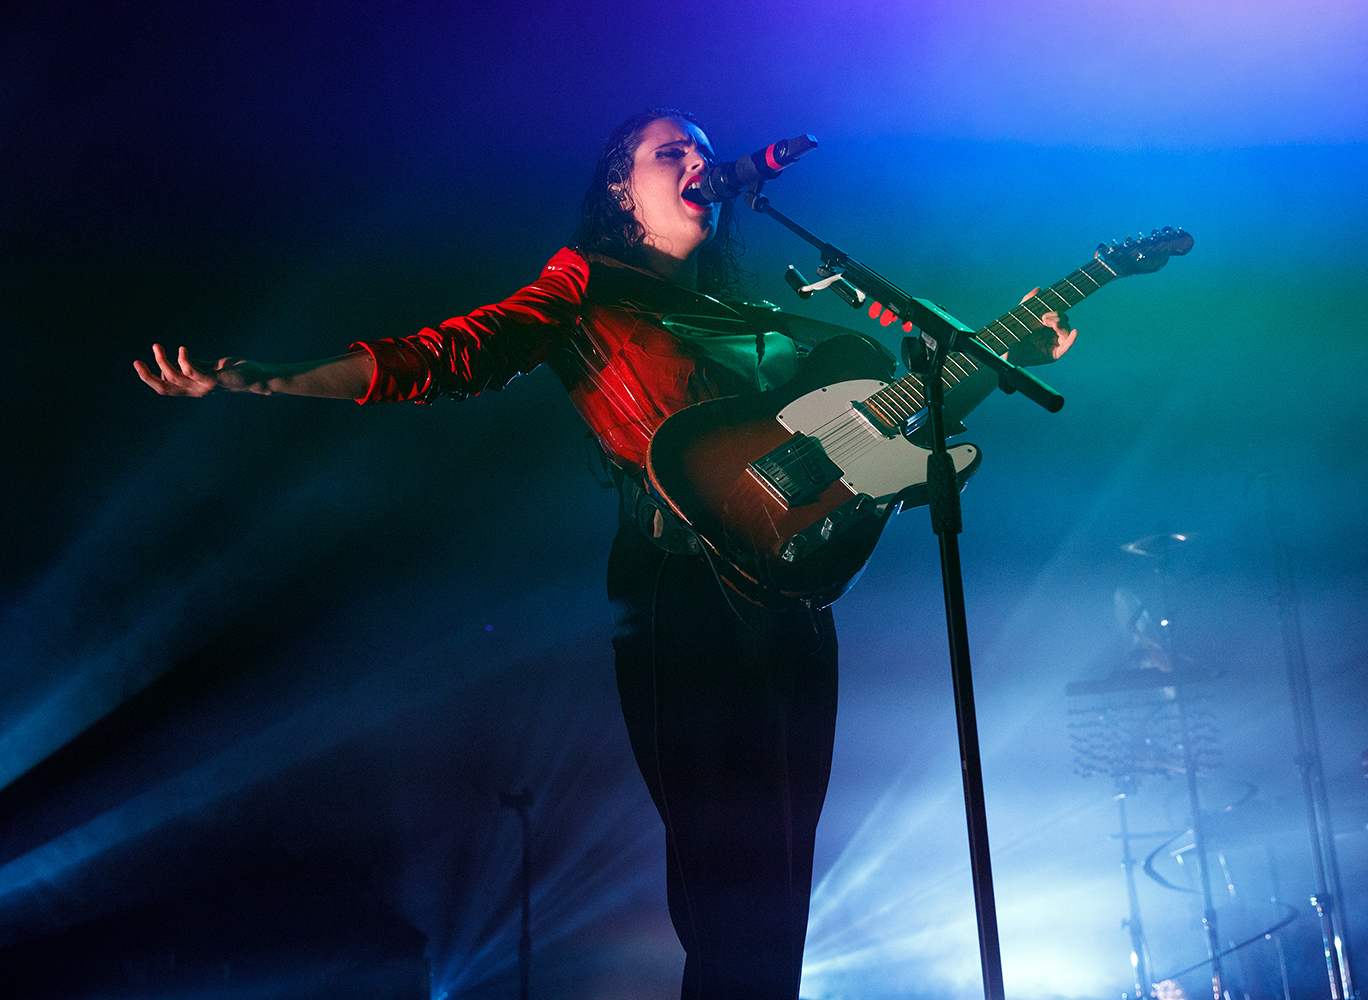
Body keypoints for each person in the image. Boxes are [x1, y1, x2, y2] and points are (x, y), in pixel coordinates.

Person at [135, 108, 1077, 1000]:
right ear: (623, 193)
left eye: (704, 147)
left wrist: (1008, 351)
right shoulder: (586, 286)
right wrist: (271, 380)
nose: (697, 160)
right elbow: (454, 353)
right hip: (681, 588)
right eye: (670, 152)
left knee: (784, 874)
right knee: (725, 872)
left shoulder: (769, 324)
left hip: (792, 601)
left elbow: (886, 431)